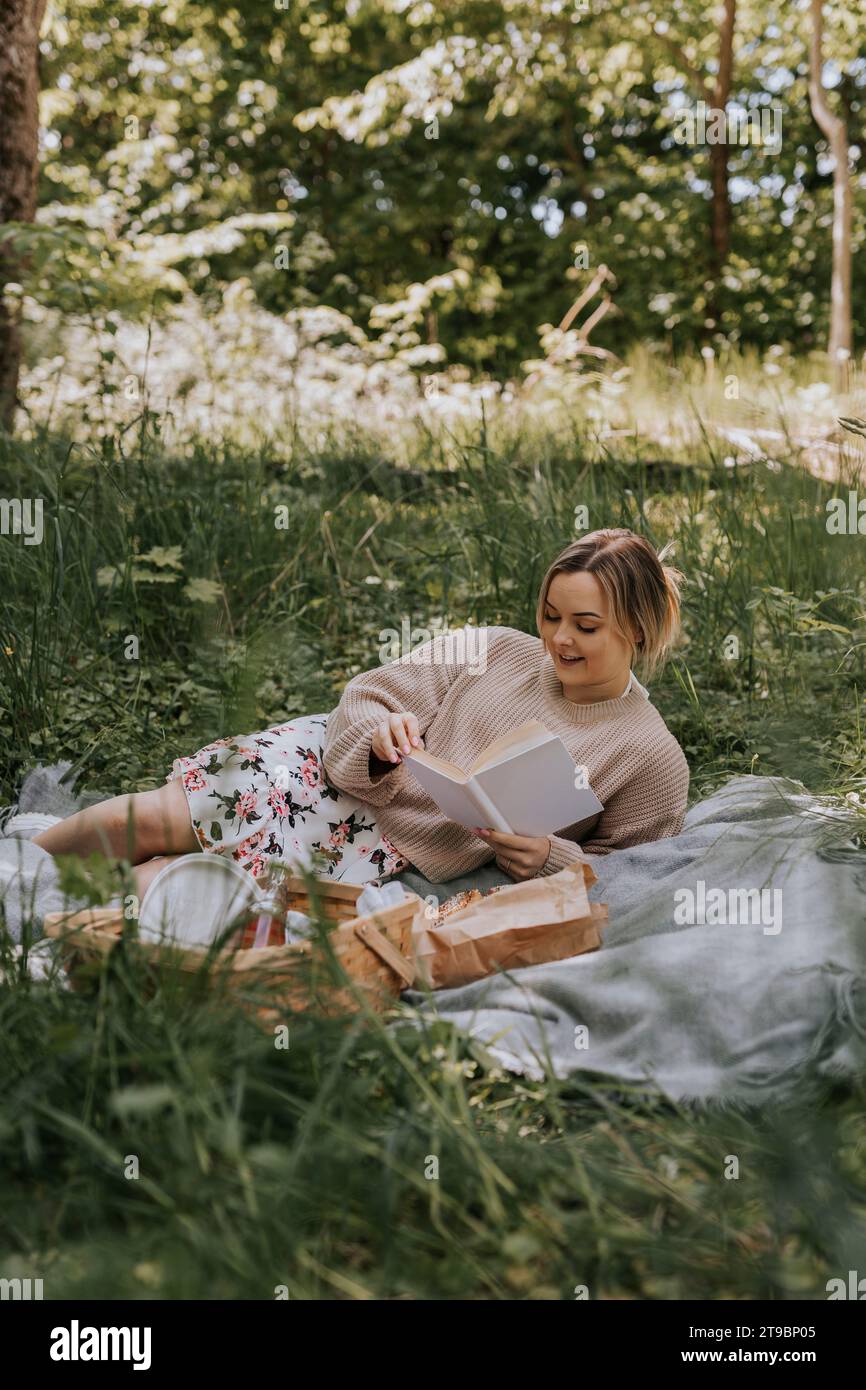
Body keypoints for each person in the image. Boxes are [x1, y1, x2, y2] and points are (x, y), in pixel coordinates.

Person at [33, 528, 690, 893]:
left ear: (637, 628)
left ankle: (55, 914)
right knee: (151, 818)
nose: (558, 640)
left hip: (383, 843)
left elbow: (630, 878)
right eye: (550, 616)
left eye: (585, 626)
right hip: (323, 764)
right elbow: (367, 693)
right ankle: (21, 866)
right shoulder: (495, 648)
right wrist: (381, 733)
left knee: (169, 884)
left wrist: (545, 857)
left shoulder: (649, 754)